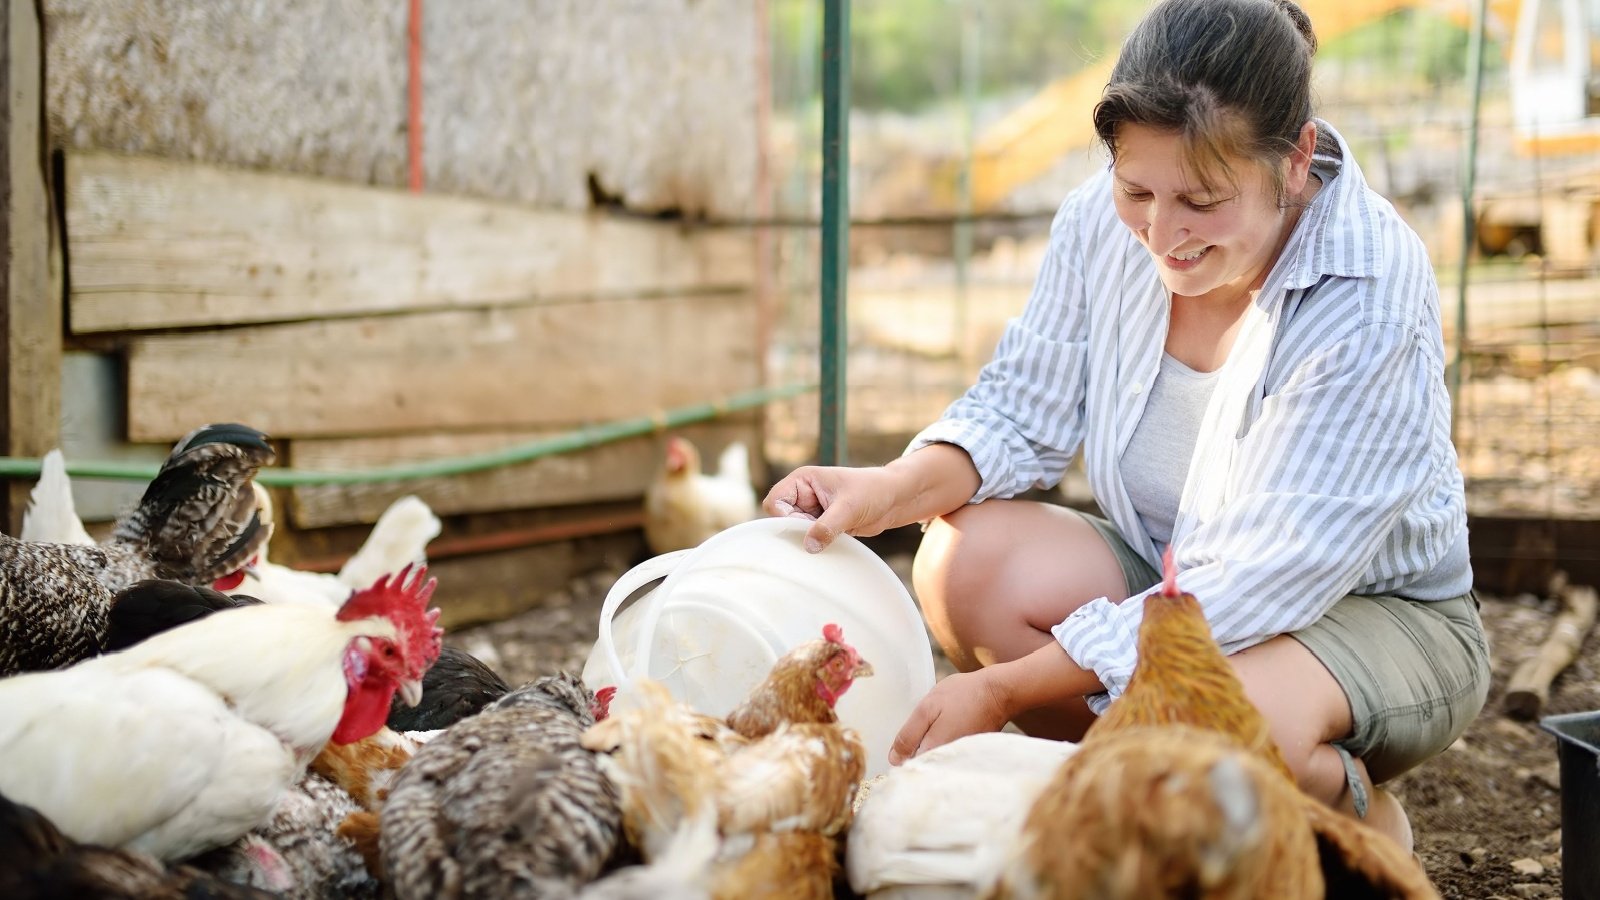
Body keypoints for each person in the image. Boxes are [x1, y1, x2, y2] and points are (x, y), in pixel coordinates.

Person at [762, 0, 1489, 852]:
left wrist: (1005, 694)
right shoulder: (1098, 225)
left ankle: (1341, 806)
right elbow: (1017, 411)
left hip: (1372, 613)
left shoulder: (1368, 288)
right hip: (1183, 572)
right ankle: (1153, 792)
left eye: (1204, 200)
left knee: (1202, 718)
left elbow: (1257, 579)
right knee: (967, 564)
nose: (1163, 232)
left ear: (1295, 160)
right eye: (1136, 188)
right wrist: (883, 490)